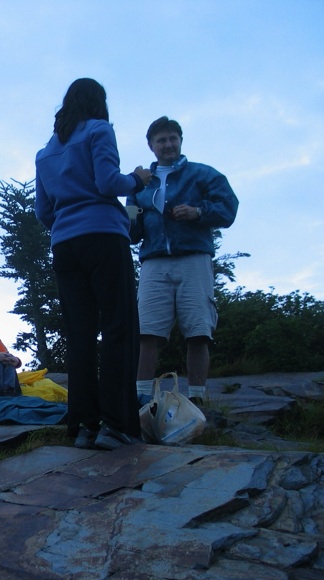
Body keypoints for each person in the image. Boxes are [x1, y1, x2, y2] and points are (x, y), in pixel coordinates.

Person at [35, 78, 151, 450]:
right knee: (119, 327)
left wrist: (67, 226)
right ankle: (116, 425)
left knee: (79, 334)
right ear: (98, 102)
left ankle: (84, 426)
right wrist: (137, 179)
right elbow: (107, 182)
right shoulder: (100, 130)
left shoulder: (45, 153)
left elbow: (43, 211)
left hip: (65, 245)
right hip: (103, 235)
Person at [127, 116, 238, 404]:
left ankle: (198, 399)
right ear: (151, 146)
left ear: (180, 141)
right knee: (146, 331)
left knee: (198, 331)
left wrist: (198, 212)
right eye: (161, 140)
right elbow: (131, 230)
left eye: (172, 138)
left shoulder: (203, 174)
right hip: (153, 262)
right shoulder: (140, 184)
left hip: (194, 258)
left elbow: (229, 208)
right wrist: (129, 209)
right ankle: (140, 400)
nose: (168, 144)